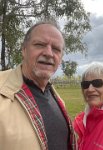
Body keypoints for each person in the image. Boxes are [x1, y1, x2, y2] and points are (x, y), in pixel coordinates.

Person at [0, 21, 76, 150]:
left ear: (60, 58)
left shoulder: (57, 99)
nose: (49, 53)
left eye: (56, 49)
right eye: (40, 45)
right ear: (24, 50)